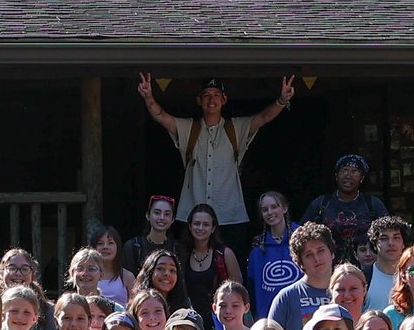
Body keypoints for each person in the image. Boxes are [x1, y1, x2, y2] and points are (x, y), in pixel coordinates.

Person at [137, 73, 297, 254]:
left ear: (224, 99)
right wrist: (148, 97)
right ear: (199, 100)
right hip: (192, 216)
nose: (211, 100)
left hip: (230, 216)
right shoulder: (188, 128)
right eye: (206, 95)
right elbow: (161, 116)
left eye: (216, 95)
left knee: (232, 269)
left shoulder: (235, 128)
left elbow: (264, 117)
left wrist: (282, 100)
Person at [304, 156, 390, 265]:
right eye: (344, 171)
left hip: (367, 268)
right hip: (328, 269)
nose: (348, 176)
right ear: (336, 175)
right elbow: (302, 235)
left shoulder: (373, 204)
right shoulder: (321, 204)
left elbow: (389, 235)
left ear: (362, 178)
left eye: (354, 172)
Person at [265, 222, 338, 330]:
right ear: (300, 263)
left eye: (320, 250)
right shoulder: (286, 297)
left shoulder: (347, 292)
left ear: (332, 253)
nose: (317, 258)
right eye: (309, 255)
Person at [290, 263, 368, 330]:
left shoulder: (372, 325)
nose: (347, 295)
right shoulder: (315, 325)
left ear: (364, 289)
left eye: (353, 289)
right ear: (331, 291)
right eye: (340, 290)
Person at [177, 204, 244, 316]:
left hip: (220, 318)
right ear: (190, 226)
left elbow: (238, 291)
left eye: (206, 224)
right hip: (189, 319)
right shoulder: (182, 254)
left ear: (213, 228)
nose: (200, 228)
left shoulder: (225, 254)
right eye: (196, 223)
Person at [244, 191, 299, 307]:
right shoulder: (257, 250)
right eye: (265, 209)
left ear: (285, 208)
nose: (270, 212)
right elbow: (252, 289)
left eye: (274, 207)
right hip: (269, 318)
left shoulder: (302, 241)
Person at [121, 194, 182, 274]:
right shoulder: (132, 247)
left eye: (167, 214)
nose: (162, 218)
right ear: (148, 216)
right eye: (157, 213)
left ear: (173, 219)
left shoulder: (177, 249)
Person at [364, 217, 414, 309]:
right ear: (375, 244)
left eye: (396, 238)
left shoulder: (413, 275)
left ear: (403, 244)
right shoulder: (364, 277)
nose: (391, 243)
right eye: (384, 238)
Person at [137, 249, 193, 316]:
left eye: (172, 270)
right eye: (160, 268)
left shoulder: (185, 308)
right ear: (149, 272)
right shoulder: (137, 305)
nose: (167, 274)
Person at [86, 225, 131, 304]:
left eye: (110, 243)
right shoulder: (86, 275)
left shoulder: (127, 276)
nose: (105, 247)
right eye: (100, 243)